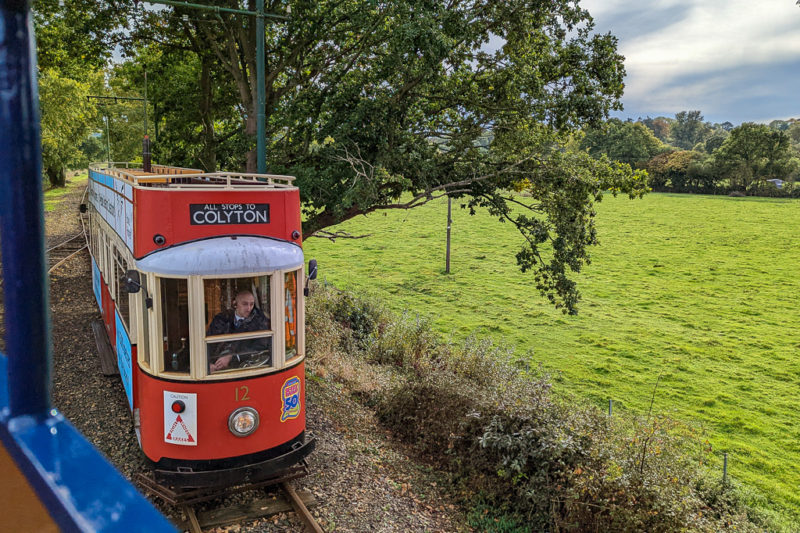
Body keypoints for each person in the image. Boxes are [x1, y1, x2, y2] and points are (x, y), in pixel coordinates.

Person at [207, 290, 270, 372]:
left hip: (244, 369)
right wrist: (208, 364)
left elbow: (260, 346)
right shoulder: (221, 319)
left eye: (252, 304)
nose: (249, 308)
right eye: (245, 304)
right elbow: (208, 342)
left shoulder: (259, 322)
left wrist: (232, 357)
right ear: (235, 304)